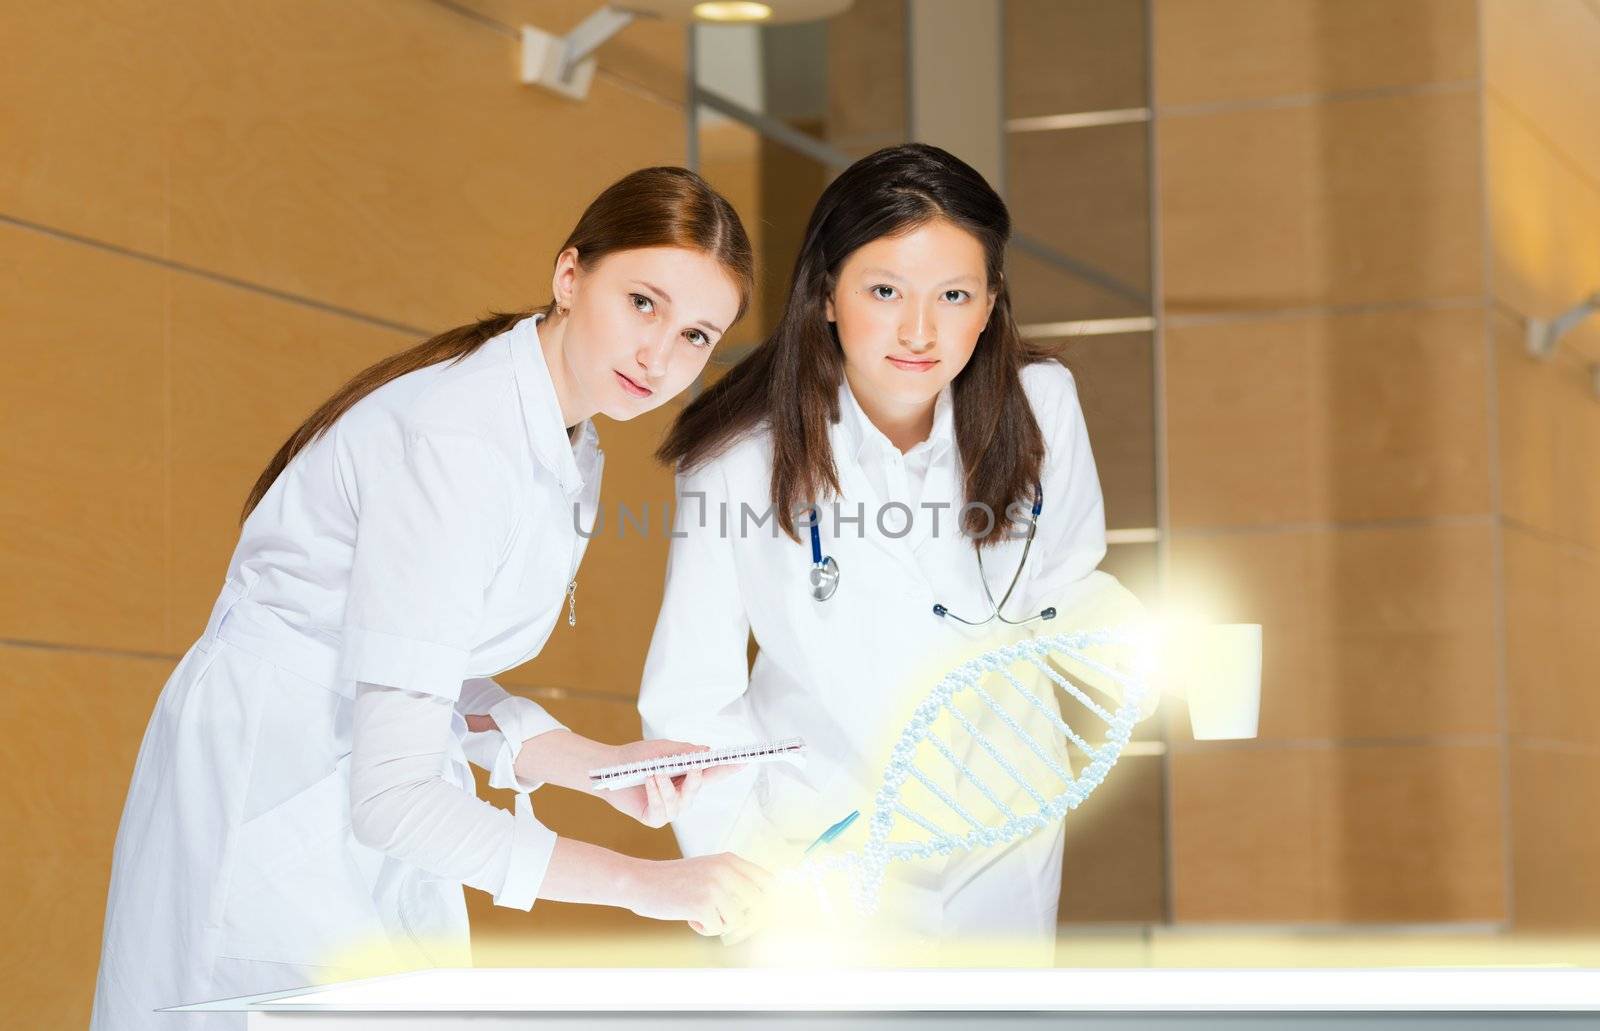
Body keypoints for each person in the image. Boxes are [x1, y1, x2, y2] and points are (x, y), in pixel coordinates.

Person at [92, 166, 770, 1029]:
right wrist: (646, 883)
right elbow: (395, 798)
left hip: (333, 781)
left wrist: (594, 765)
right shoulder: (464, 443)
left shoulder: (559, 428)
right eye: (644, 302)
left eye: (696, 336)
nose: (660, 355)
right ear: (570, 276)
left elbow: (420, 664)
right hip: (277, 786)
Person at [639, 144, 1153, 958]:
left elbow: (1062, 581)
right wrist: (742, 866)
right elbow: (692, 698)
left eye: (953, 295)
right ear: (827, 296)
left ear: (989, 306)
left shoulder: (1040, 405)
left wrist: (1155, 655)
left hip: (1002, 834)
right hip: (826, 850)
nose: (920, 330)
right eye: (885, 291)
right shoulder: (737, 459)